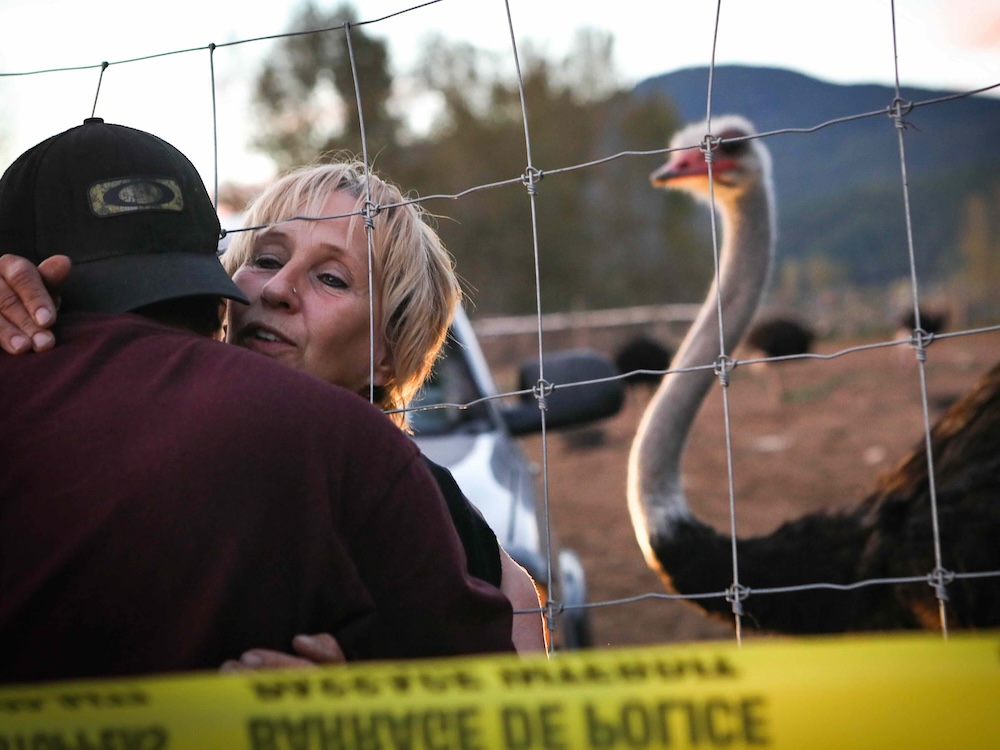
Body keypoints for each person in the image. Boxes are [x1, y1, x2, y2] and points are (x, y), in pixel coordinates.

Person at [0, 118, 515, 683]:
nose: (274, 290)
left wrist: (372, 706)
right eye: (266, 260)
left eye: (331, 279)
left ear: (390, 353)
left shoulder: (447, 521)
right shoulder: (120, 440)